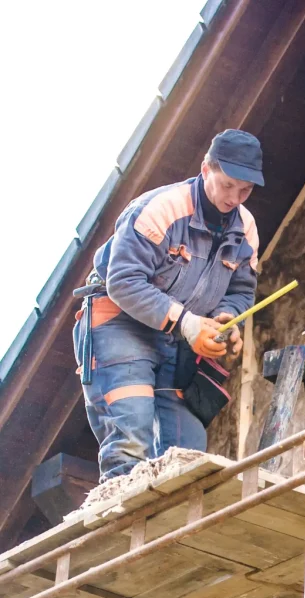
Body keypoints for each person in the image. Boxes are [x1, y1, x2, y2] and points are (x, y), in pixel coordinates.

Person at [74, 129, 263, 481]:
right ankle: (120, 528)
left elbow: (240, 291)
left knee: (187, 454)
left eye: (246, 190)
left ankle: (170, 533)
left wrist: (227, 319)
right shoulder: (161, 208)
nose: (235, 198)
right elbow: (123, 282)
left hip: (177, 338)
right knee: (131, 436)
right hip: (120, 320)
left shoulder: (246, 230)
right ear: (206, 169)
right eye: (227, 185)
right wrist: (189, 323)